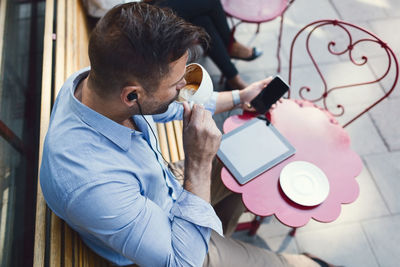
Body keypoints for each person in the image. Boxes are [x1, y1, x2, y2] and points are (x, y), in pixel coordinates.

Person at [40, 3, 337, 266]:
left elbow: (172, 107)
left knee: (248, 158)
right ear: (132, 95)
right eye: (177, 84)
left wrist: (238, 96)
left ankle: (218, 234)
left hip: (163, 185)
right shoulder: (92, 183)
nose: (185, 88)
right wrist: (198, 163)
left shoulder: (96, 84)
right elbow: (183, 262)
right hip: (169, 242)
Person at [82, 0, 262, 90]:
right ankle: (232, 49)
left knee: (203, 19)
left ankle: (233, 75)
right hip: (125, 23)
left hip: (134, 12)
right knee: (207, 3)